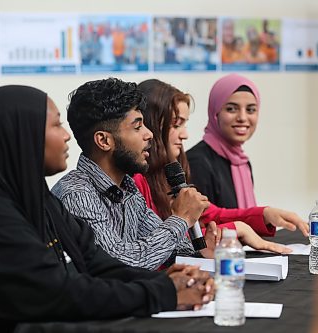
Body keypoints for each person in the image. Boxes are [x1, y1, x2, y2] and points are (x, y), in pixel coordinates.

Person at [0, 85, 214, 332]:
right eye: (56, 124)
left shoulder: (31, 196)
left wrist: (162, 282)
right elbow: (56, 293)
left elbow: (95, 261)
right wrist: (164, 293)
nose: (67, 135)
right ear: (22, 136)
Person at [52, 78, 213, 271]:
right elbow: (121, 265)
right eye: (137, 127)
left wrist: (202, 254)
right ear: (104, 140)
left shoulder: (127, 186)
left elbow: (172, 252)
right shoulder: (77, 194)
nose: (149, 134)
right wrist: (180, 219)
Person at [136, 79, 307, 251]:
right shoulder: (140, 179)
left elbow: (210, 213)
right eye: (176, 124)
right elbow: (162, 244)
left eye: (251, 110)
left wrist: (264, 214)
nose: (185, 134)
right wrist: (234, 229)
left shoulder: (169, 170)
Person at [187, 73, 261, 209]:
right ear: (215, 112)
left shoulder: (242, 162)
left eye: (251, 110)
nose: (243, 118)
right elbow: (203, 225)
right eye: (231, 109)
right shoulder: (197, 162)